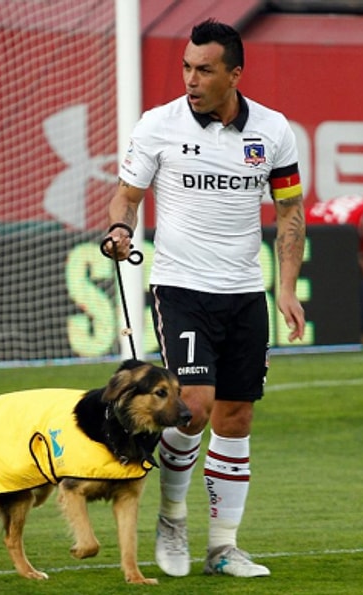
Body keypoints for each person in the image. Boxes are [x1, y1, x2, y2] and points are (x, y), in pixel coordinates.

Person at [104, 19, 306, 579]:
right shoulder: (158, 126)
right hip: (181, 286)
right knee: (193, 407)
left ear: (235, 73)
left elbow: (290, 211)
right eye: (187, 68)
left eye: (204, 69)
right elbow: (126, 198)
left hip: (245, 291)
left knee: (236, 416)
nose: (191, 79)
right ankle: (171, 519)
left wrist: (286, 287)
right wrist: (121, 231)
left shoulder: (272, 130)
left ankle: (222, 548)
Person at [305, 194, 363, 347]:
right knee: (353, 280)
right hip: (303, 234)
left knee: (356, 275)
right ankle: (352, 332)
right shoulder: (348, 227)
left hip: (310, 229)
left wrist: (359, 259)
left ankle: (354, 329)